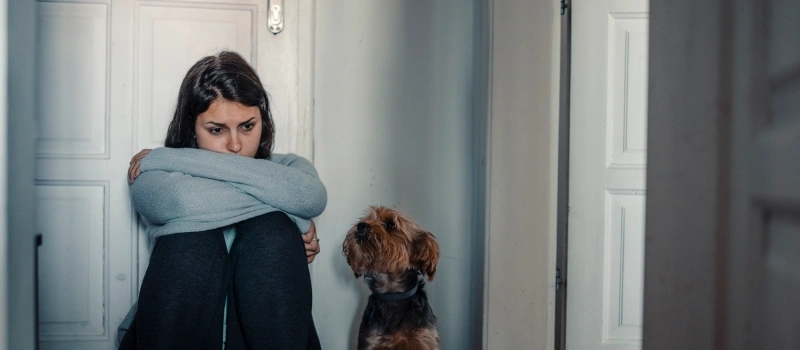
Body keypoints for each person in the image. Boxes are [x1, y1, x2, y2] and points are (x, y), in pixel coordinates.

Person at [118, 51, 326, 349]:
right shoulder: (151, 172)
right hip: (178, 330)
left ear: (262, 116)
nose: (236, 145)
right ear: (191, 125)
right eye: (217, 130)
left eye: (247, 126)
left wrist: (175, 159)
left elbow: (310, 197)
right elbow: (182, 203)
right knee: (193, 240)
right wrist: (294, 214)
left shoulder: (162, 162)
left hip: (271, 333)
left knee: (272, 231)